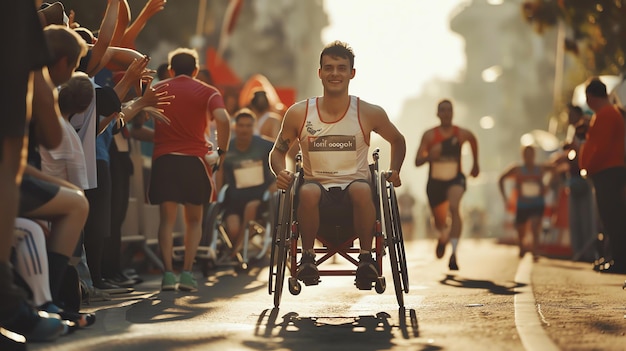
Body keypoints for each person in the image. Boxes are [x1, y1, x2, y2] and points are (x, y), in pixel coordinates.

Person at [270, 40, 406, 289]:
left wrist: (395, 170)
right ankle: (308, 258)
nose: (335, 73)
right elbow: (277, 153)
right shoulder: (299, 113)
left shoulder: (368, 112)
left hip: (357, 197)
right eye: (329, 68)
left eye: (341, 68)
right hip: (316, 198)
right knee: (308, 190)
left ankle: (366, 259)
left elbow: (398, 140)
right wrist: (281, 172)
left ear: (352, 73)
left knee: (361, 188)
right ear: (319, 72)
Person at [150, 48, 231, 292]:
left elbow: (141, 117)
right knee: (194, 221)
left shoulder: (157, 88)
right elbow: (224, 120)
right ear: (196, 70)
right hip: (195, 161)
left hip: (164, 159)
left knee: (166, 220)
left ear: (171, 69)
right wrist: (222, 151)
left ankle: (167, 275)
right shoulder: (208, 91)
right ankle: (186, 273)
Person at [414, 99, 479, 271]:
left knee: (455, 207)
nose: (446, 113)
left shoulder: (461, 133)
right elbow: (417, 161)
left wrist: (475, 164)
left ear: (453, 113)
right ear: (437, 114)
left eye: (448, 110)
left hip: (455, 179)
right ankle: (443, 237)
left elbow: (473, 139)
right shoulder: (429, 135)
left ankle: (454, 254)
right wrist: (430, 157)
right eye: (442, 110)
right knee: (440, 222)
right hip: (435, 183)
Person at [579, 78, 626, 274]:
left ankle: (620, 261)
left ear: (590, 98)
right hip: (607, 171)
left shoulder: (606, 114)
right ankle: (616, 258)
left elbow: (602, 148)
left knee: (613, 218)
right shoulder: (607, 113)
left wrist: (588, 166)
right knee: (610, 219)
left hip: (608, 172)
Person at [216, 108, 275, 259]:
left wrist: (273, 186)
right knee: (233, 229)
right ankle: (239, 248)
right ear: (235, 126)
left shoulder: (266, 146)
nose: (244, 129)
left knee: (251, 208)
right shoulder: (227, 147)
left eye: (248, 126)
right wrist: (216, 194)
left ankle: (235, 251)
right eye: (241, 125)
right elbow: (220, 172)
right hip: (235, 197)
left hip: (260, 196)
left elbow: (279, 165)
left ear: (253, 127)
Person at [499, 145, 553, 261]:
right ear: (522, 156)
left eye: (531, 154)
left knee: (535, 226)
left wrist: (547, 185)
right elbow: (501, 178)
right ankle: (522, 246)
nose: (528, 157)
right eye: (526, 154)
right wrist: (505, 197)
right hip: (522, 205)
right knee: (521, 232)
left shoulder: (540, 168)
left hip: (537, 203)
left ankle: (534, 251)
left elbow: (555, 170)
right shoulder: (517, 169)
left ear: (534, 155)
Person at [559, 104, 597, 262]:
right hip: (573, 179)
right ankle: (579, 251)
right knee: (575, 220)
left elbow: (585, 150)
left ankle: (589, 253)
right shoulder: (572, 131)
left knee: (587, 218)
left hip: (585, 178)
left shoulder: (584, 128)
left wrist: (573, 148)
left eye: (570, 114)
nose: (568, 118)